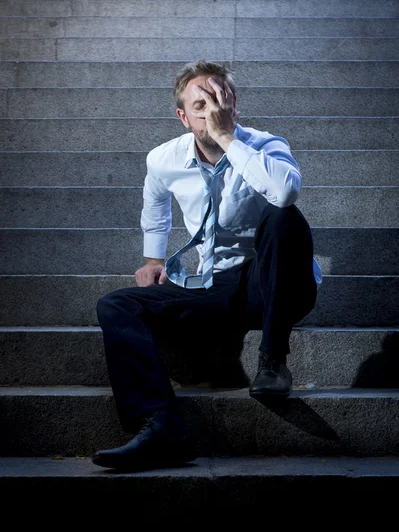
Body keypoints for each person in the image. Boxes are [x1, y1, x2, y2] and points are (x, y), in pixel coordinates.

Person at [92, 60, 322, 471]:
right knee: (116, 305)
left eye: (219, 100)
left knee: (283, 215)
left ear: (234, 105)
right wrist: (153, 259)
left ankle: (272, 359)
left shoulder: (265, 145)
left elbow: (286, 193)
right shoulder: (164, 159)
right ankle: (163, 427)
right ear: (182, 117)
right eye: (200, 105)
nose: (211, 111)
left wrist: (227, 136)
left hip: (275, 286)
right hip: (214, 283)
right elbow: (156, 206)